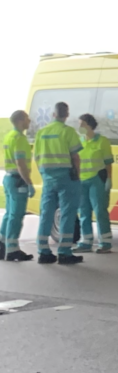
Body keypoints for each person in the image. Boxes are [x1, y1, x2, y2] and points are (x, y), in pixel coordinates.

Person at [33, 102, 83, 264]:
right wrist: (77, 175)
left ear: (53, 114)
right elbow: (75, 157)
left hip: (48, 178)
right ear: (66, 115)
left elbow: (37, 157)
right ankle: (64, 252)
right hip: (67, 177)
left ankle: (43, 251)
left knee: (46, 213)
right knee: (67, 214)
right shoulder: (68, 132)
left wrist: (44, 174)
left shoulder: (42, 132)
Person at [74, 114, 113, 254]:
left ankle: (105, 242)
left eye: (82, 124)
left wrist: (109, 179)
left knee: (100, 211)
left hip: (97, 179)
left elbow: (108, 162)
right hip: (81, 180)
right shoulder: (79, 142)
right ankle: (86, 242)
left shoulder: (102, 141)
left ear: (90, 126)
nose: (80, 127)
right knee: (83, 212)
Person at [3, 110, 35, 262]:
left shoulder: (9, 136)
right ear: (21, 120)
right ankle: (13, 250)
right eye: (27, 119)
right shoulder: (20, 139)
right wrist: (29, 182)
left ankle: (2, 244)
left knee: (9, 214)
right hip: (18, 180)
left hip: (9, 178)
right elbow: (20, 163)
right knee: (17, 215)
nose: (29, 121)